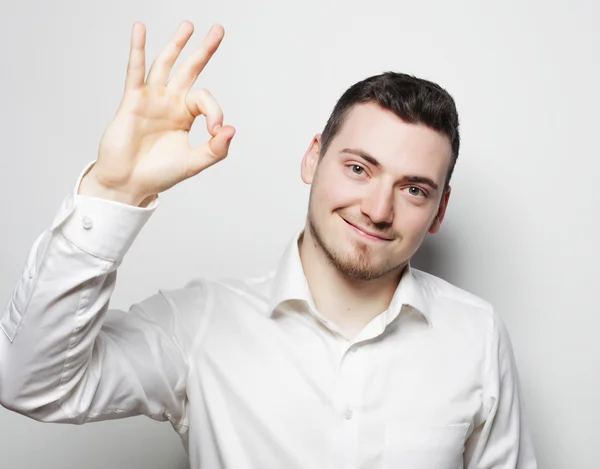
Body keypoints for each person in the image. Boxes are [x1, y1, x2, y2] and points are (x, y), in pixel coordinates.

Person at [0, 20, 537, 469]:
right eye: (357, 168)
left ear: (439, 210)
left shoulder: (476, 334)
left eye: (414, 189)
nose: (378, 209)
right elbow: (30, 384)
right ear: (312, 159)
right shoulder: (201, 322)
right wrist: (113, 193)